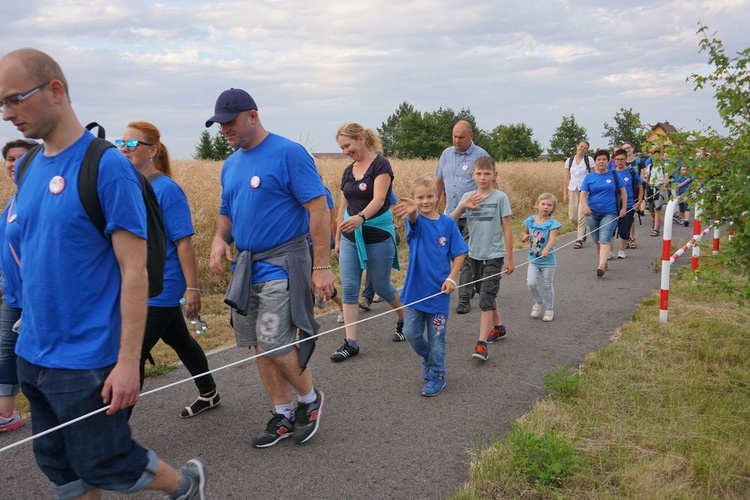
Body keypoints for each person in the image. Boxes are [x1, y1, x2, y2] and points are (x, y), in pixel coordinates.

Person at [0, 48, 206, 499]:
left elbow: (135, 270)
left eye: (16, 99)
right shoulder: (29, 166)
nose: (8, 114)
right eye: (2, 104)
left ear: (55, 90)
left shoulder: (107, 167)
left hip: (88, 355)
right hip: (34, 349)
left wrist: (128, 362)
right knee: (60, 466)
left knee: (105, 460)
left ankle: (187, 487)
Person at [207, 88, 331, 448]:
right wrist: (219, 240)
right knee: (258, 344)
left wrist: (321, 266)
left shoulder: (288, 153)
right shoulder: (230, 165)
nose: (224, 130)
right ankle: (283, 413)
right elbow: (226, 213)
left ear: (253, 115)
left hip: (284, 262)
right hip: (247, 268)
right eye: (220, 125)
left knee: (275, 342)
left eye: (229, 122)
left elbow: (318, 208)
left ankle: (310, 400)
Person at [118, 121, 221, 419]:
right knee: (179, 338)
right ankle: (209, 393)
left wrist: (193, 289)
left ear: (152, 151)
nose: (124, 149)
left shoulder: (167, 190)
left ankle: (116, 432)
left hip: (162, 287)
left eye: (132, 144)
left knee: (132, 353)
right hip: (139, 284)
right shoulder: (132, 186)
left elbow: (184, 244)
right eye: (121, 143)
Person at [330, 122, 405, 362]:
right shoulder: (348, 171)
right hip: (351, 234)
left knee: (382, 287)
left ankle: (405, 319)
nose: (345, 152)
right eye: (341, 148)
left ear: (361, 139)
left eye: (347, 145)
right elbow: (343, 204)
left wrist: (361, 218)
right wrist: (338, 237)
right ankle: (350, 342)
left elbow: (379, 198)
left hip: (376, 234)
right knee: (350, 288)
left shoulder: (380, 165)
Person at [392, 176, 468, 396]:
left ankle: (437, 374)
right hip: (415, 293)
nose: (425, 201)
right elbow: (414, 217)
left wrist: (452, 278)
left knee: (437, 339)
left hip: (439, 295)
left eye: (429, 196)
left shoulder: (448, 224)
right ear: (414, 199)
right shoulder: (414, 220)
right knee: (411, 333)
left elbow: (460, 253)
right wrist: (412, 210)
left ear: (437, 196)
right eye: (420, 198)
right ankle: (428, 359)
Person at [450, 156, 514, 361]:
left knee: (486, 297)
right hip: (473, 255)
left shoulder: (500, 198)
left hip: (494, 255)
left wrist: (510, 257)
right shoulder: (468, 197)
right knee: (485, 292)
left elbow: (508, 228)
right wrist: (463, 207)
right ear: (473, 175)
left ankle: (481, 344)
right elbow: (450, 221)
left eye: (487, 173)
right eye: (479, 173)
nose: (483, 177)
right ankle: (499, 327)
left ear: (494, 175)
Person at [435, 120, 490, 314]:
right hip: (450, 214)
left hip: (473, 215)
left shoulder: (481, 155)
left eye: (461, 137)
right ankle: (475, 280)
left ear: (471, 136)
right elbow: (439, 182)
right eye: (454, 136)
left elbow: (490, 185)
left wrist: (494, 213)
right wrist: (432, 208)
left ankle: (464, 297)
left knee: (464, 255)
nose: (457, 141)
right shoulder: (446, 154)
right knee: (448, 253)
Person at [0, 138, 36, 432]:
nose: (13, 164)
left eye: (20, 157)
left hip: (34, 298)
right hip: (14, 295)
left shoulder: (36, 199)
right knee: (6, 351)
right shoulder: (14, 200)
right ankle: (6, 413)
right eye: (9, 158)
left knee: (32, 360)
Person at [580, 149, 627, 277]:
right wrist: (585, 206)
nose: (601, 162)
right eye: (599, 159)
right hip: (592, 213)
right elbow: (583, 193)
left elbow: (623, 191)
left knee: (604, 239)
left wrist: (623, 208)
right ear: (595, 162)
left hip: (610, 213)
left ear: (608, 161)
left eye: (604, 159)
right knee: (596, 240)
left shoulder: (614, 175)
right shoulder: (589, 177)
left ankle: (601, 266)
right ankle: (603, 260)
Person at [521, 193, 562, 322]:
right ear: (537, 205)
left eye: (549, 205)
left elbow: (552, 240)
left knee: (547, 285)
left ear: (553, 208)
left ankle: (549, 309)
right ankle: (539, 301)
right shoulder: (530, 221)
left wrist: (546, 249)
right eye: (543, 204)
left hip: (548, 261)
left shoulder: (552, 224)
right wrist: (524, 237)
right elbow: (525, 233)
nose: (545, 207)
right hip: (533, 260)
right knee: (531, 283)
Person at [612, 148, 644, 259]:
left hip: (629, 204)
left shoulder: (631, 172)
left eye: (622, 159)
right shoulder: (611, 171)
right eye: (617, 159)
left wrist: (639, 201)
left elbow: (640, 187)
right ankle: (610, 250)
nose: (619, 162)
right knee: (611, 228)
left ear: (626, 159)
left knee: (624, 228)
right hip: (613, 204)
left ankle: (622, 249)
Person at [563, 140, 594, 250]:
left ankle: (579, 239)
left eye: (585, 148)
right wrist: (565, 193)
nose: (582, 149)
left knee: (581, 215)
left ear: (587, 150)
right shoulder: (569, 160)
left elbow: (593, 175)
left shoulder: (589, 160)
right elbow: (567, 178)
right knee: (572, 217)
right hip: (572, 189)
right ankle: (583, 230)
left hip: (584, 190)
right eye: (581, 147)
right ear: (577, 147)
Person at [622, 142, 643, 249]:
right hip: (621, 193)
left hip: (634, 191)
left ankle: (631, 237)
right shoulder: (620, 162)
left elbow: (642, 176)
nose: (627, 150)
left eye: (628, 148)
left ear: (632, 148)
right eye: (624, 149)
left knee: (631, 216)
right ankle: (624, 238)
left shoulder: (638, 161)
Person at [646, 148, 671, 237]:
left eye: (658, 154)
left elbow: (666, 177)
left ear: (661, 155)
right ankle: (656, 220)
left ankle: (656, 228)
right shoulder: (650, 166)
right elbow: (647, 178)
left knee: (657, 208)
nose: (656, 156)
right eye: (654, 154)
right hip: (651, 188)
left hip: (660, 188)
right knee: (651, 209)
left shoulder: (665, 165)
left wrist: (664, 185)